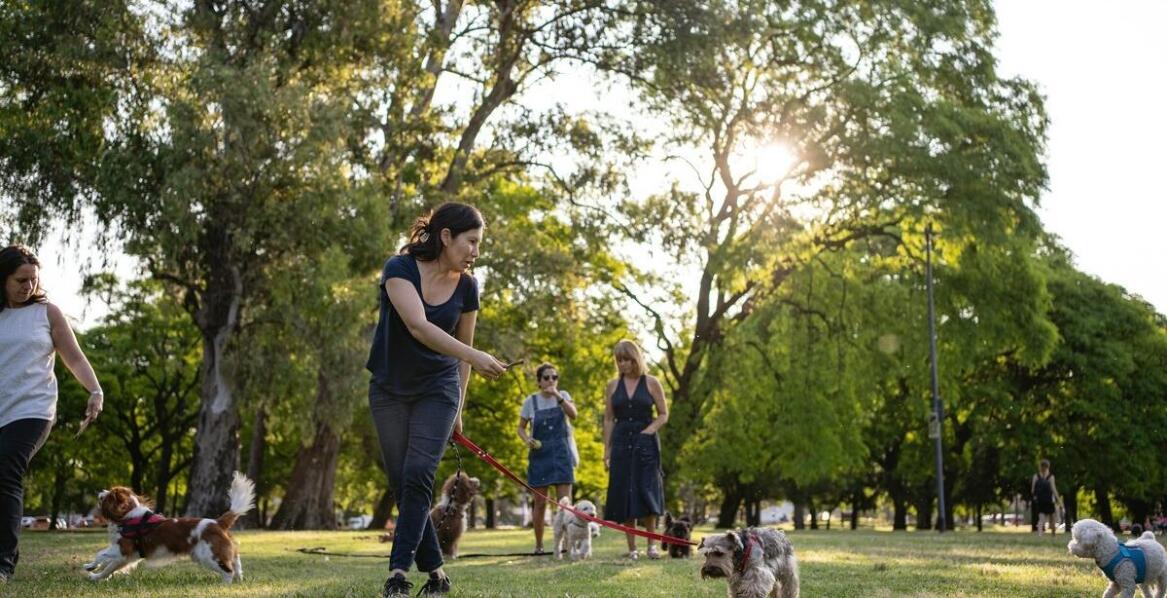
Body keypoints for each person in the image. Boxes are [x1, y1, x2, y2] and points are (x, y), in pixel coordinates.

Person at [366, 204, 507, 598]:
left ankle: (397, 574)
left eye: (480, 243)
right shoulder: (399, 269)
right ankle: (438, 576)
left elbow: (464, 350)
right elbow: (418, 325)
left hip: (439, 390)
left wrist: (458, 408)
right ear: (446, 236)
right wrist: (475, 356)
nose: (476, 251)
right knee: (403, 482)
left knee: (418, 474)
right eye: (471, 241)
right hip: (390, 388)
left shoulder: (468, 286)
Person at [0, 245, 103, 583]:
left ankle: (3, 564)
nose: (27, 286)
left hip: (34, 409)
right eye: (19, 280)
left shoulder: (47, 313)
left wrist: (95, 390)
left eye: (32, 280)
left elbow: (73, 357)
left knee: (7, 471)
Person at [603, 339, 668, 560]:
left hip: (645, 442)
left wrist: (649, 431)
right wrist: (607, 450)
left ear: (635, 359)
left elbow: (663, 414)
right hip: (621, 441)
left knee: (647, 490)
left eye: (626, 360)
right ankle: (632, 548)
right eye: (619, 360)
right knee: (624, 492)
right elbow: (609, 419)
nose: (622, 364)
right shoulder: (613, 386)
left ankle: (652, 545)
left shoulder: (651, 382)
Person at [517, 362, 578, 554]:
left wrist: (558, 396)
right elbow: (520, 427)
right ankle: (539, 545)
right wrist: (527, 439)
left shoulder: (564, 396)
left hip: (561, 453)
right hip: (540, 455)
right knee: (540, 503)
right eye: (546, 378)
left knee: (565, 503)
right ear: (539, 381)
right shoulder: (531, 402)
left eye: (554, 377)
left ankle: (567, 545)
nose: (551, 380)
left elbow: (573, 415)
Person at [1031, 459, 1061, 535]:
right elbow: (1053, 489)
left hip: (1040, 500)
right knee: (1052, 518)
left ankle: (1040, 535)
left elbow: (1032, 490)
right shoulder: (1050, 477)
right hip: (1049, 500)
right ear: (1048, 467)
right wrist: (1059, 500)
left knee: (1041, 519)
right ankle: (1053, 534)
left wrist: (1035, 497)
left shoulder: (1036, 476)